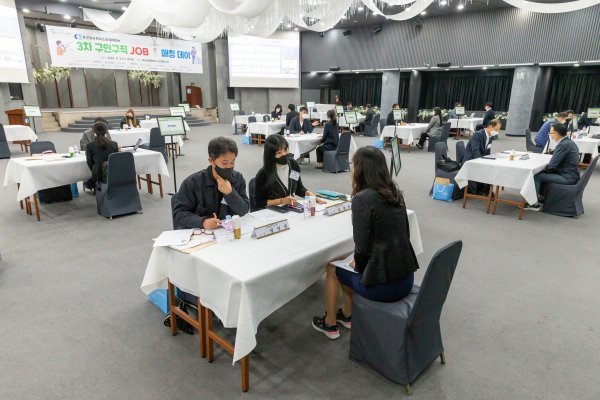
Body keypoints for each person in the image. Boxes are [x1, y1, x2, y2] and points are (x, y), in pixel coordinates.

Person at [311, 146, 419, 339]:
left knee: (334, 268)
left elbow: (361, 247)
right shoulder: (395, 193)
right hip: (406, 278)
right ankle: (347, 315)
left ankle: (330, 324)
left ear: (360, 169)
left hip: (384, 286)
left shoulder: (363, 199)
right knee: (348, 263)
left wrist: (358, 264)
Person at [173, 137, 249, 229]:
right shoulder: (193, 183)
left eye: (232, 162)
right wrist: (203, 222)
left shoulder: (238, 179)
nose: (229, 167)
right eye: (224, 163)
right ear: (211, 161)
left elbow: (244, 210)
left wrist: (230, 193)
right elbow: (179, 213)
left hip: (227, 231)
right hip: (201, 232)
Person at [254, 135, 324, 209]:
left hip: (290, 209)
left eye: (286, 150)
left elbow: (298, 188)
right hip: (272, 211)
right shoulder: (263, 174)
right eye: (279, 153)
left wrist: (308, 194)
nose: (284, 154)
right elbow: (259, 203)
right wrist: (281, 201)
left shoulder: (293, 165)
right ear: (271, 155)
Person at [525, 123, 580, 211]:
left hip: (567, 177)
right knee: (542, 172)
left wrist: (540, 168)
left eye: (550, 133)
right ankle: (541, 196)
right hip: (571, 174)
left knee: (536, 176)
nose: (549, 135)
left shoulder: (563, 144)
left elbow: (552, 166)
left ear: (556, 134)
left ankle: (534, 205)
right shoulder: (567, 142)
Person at [462, 119, 501, 195]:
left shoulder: (490, 136)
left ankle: (486, 191)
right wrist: (483, 162)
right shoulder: (478, 134)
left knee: (492, 166)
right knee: (488, 169)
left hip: (479, 159)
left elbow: (487, 151)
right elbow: (475, 151)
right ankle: (484, 191)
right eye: (496, 129)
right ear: (490, 127)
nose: (497, 132)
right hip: (470, 161)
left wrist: (490, 158)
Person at [85, 121, 119, 186]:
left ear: (94, 133)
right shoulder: (114, 144)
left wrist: (96, 170)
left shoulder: (90, 145)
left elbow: (89, 162)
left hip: (98, 176)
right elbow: (116, 160)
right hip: (113, 173)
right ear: (106, 132)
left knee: (87, 180)